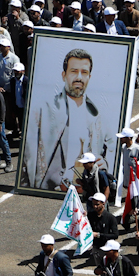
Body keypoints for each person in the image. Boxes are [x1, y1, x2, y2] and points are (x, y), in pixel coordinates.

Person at [23, 46, 113, 191]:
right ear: (64, 75)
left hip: (85, 188)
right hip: (52, 189)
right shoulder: (43, 110)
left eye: (84, 72)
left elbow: (110, 150)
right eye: (73, 71)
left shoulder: (96, 115)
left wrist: (104, 164)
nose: (79, 77)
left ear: (89, 77)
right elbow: (28, 157)